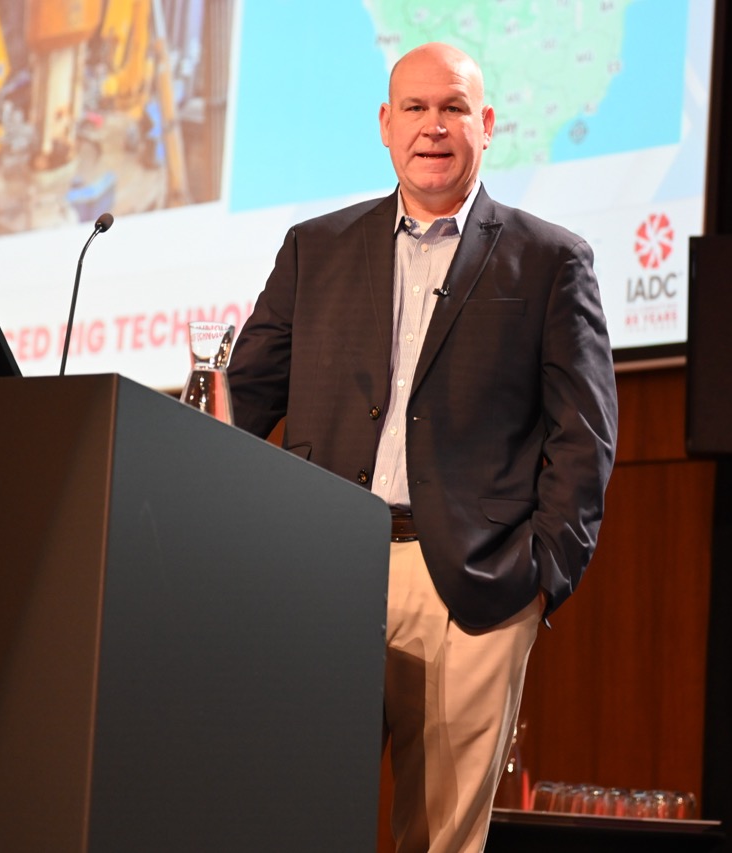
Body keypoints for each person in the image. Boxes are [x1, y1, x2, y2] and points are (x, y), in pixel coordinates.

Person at [227, 42, 618, 853]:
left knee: (439, 841)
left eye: (452, 108)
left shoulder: (552, 259)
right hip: (325, 574)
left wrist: (540, 578)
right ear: (385, 123)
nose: (432, 126)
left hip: (475, 591)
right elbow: (240, 403)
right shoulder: (314, 248)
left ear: (487, 124)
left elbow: (585, 436)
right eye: (415, 108)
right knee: (293, 819)